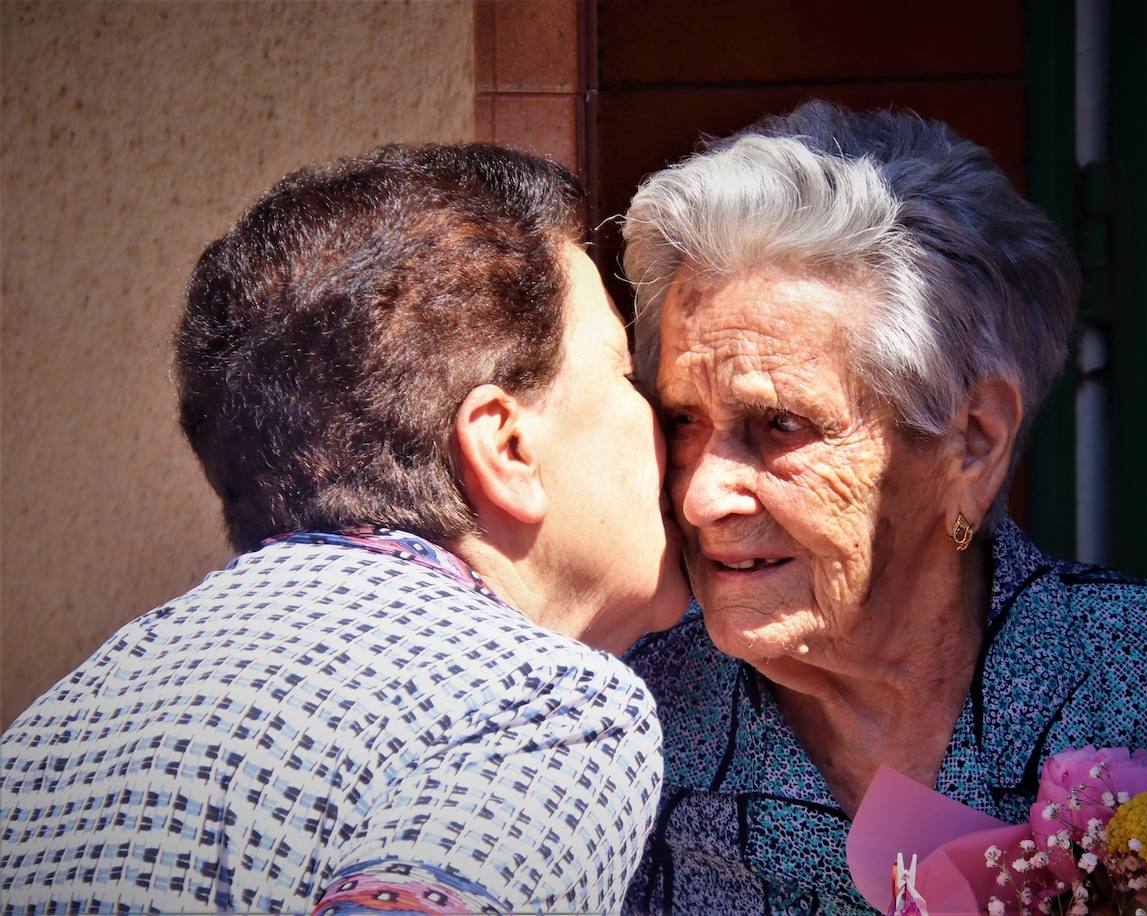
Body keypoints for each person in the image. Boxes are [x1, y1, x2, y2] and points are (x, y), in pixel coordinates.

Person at [618, 101, 1147, 914]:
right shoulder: (626, 726)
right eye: (683, 421)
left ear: (974, 443)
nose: (702, 495)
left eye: (782, 425)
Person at [0, 143, 688, 914]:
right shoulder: (546, 706)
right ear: (507, 447)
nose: (672, 423)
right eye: (625, 374)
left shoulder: (75, 713)